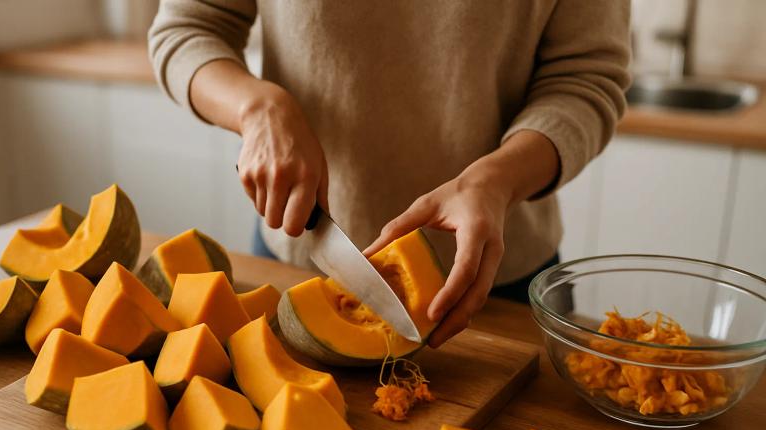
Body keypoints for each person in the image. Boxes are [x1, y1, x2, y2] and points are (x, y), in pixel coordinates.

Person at [149, 1, 631, 348]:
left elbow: (585, 79)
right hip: (302, 256)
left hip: (498, 278)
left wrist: (495, 180)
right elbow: (187, 27)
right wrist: (258, 109)